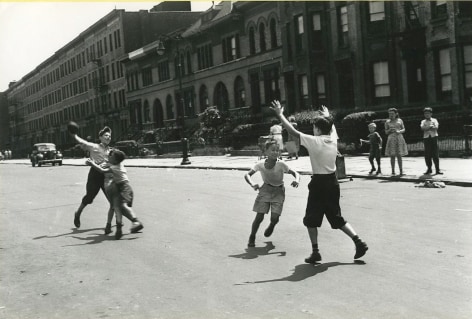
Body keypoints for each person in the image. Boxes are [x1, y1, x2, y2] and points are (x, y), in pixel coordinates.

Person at [270, 100, 368, 262]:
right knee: (336, 217)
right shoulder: (333, 140)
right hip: (333, 182)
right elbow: (331, 128)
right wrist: (328, 116)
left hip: (319, 184)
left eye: (315, 127)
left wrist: (280, 114)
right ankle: (358, 241)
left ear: (317, 129)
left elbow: (293, 132)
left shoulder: (315, 141)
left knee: (311, 219)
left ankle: (315, 251)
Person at [244, 140, 300, 247]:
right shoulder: (260, 164)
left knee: (275, 218)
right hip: (265, 190)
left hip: (279, 191)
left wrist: (297, 180)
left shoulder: (281, 164)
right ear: (266, 152)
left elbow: (295, 173)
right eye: (272, 150)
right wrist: (252, 184)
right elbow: (247, 175)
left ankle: (272, 225)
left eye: (277, 150)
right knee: (259, 216)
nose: (275, 152)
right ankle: (252, 236)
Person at [86, 149, 143, 239]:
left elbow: (102, 170)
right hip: (120, 187)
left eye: (110, 156)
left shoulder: (114, 167)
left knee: (122, 206)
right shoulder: (117, 164)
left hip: (124, 188)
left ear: (115, 160)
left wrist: (92, 164)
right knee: (117, 207)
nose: (108, 157)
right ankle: (119, 228)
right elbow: (106, 163)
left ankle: (135, 221)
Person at [70, 126, 114, 228]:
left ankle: (116, 220)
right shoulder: (94, 146)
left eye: (110, 136)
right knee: (89, 197)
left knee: (112, 197)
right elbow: (83, 142)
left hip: (105, 175)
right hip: (95, 174)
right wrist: (74, 135)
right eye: (106, 135)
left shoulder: (111, 150)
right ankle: (78, 213)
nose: (108, 137)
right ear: (101, 137)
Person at [384, 108, 408, 176]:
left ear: (396, 114)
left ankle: (401, 171)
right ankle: (393, 171)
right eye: (390, 114)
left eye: (392, 114)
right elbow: (386, 131)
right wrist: (389, 131)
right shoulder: (387, 122)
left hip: (399, 138)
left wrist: (399, 131)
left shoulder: (399, 120)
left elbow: (404, 129)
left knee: (399, 155)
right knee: (392, 155)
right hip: (391, 139)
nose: (391, 115)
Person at [421, 107, 443, 175]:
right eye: (425, 113)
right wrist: (430, 127)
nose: (427, 115)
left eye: (428, 113)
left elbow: (436, 127)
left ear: (431, 114)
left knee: (435, 154)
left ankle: (437, 169)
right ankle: (429, 169)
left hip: (434, 137)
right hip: (426, 138)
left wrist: (428, 127)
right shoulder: (423, 121)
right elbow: (422, 128)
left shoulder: (434, 120)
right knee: (427, 154)